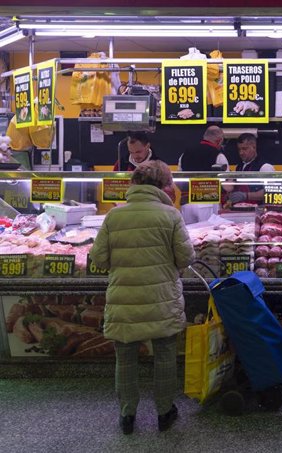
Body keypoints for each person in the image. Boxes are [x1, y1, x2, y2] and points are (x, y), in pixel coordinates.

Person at [90, 160, 195, 434]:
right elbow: (186, 257)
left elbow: (98, 259)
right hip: (162, 298)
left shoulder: (115, 215)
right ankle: (164, 412)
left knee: (125, 359)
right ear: (164, 186)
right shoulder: (171, 215)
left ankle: (127, 415)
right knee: (164, 356)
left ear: (134, 183)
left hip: (124, 300)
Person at [178, 126, 229, 223]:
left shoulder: (185, 154)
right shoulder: (218, 155)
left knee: (190, 235)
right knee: (208, 235)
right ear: (219, 140)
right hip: (208, 202)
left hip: (186, 203)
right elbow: (227, 186)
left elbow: (179, 180)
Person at [226, 133, 275, 206]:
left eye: (244, 149)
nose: (241, 153)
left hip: (258, 211)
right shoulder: (239, 167)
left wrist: (246, 195)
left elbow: (271, 192)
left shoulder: (265, 167)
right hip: (240, 210)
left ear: (254, 147)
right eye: (239, 149)